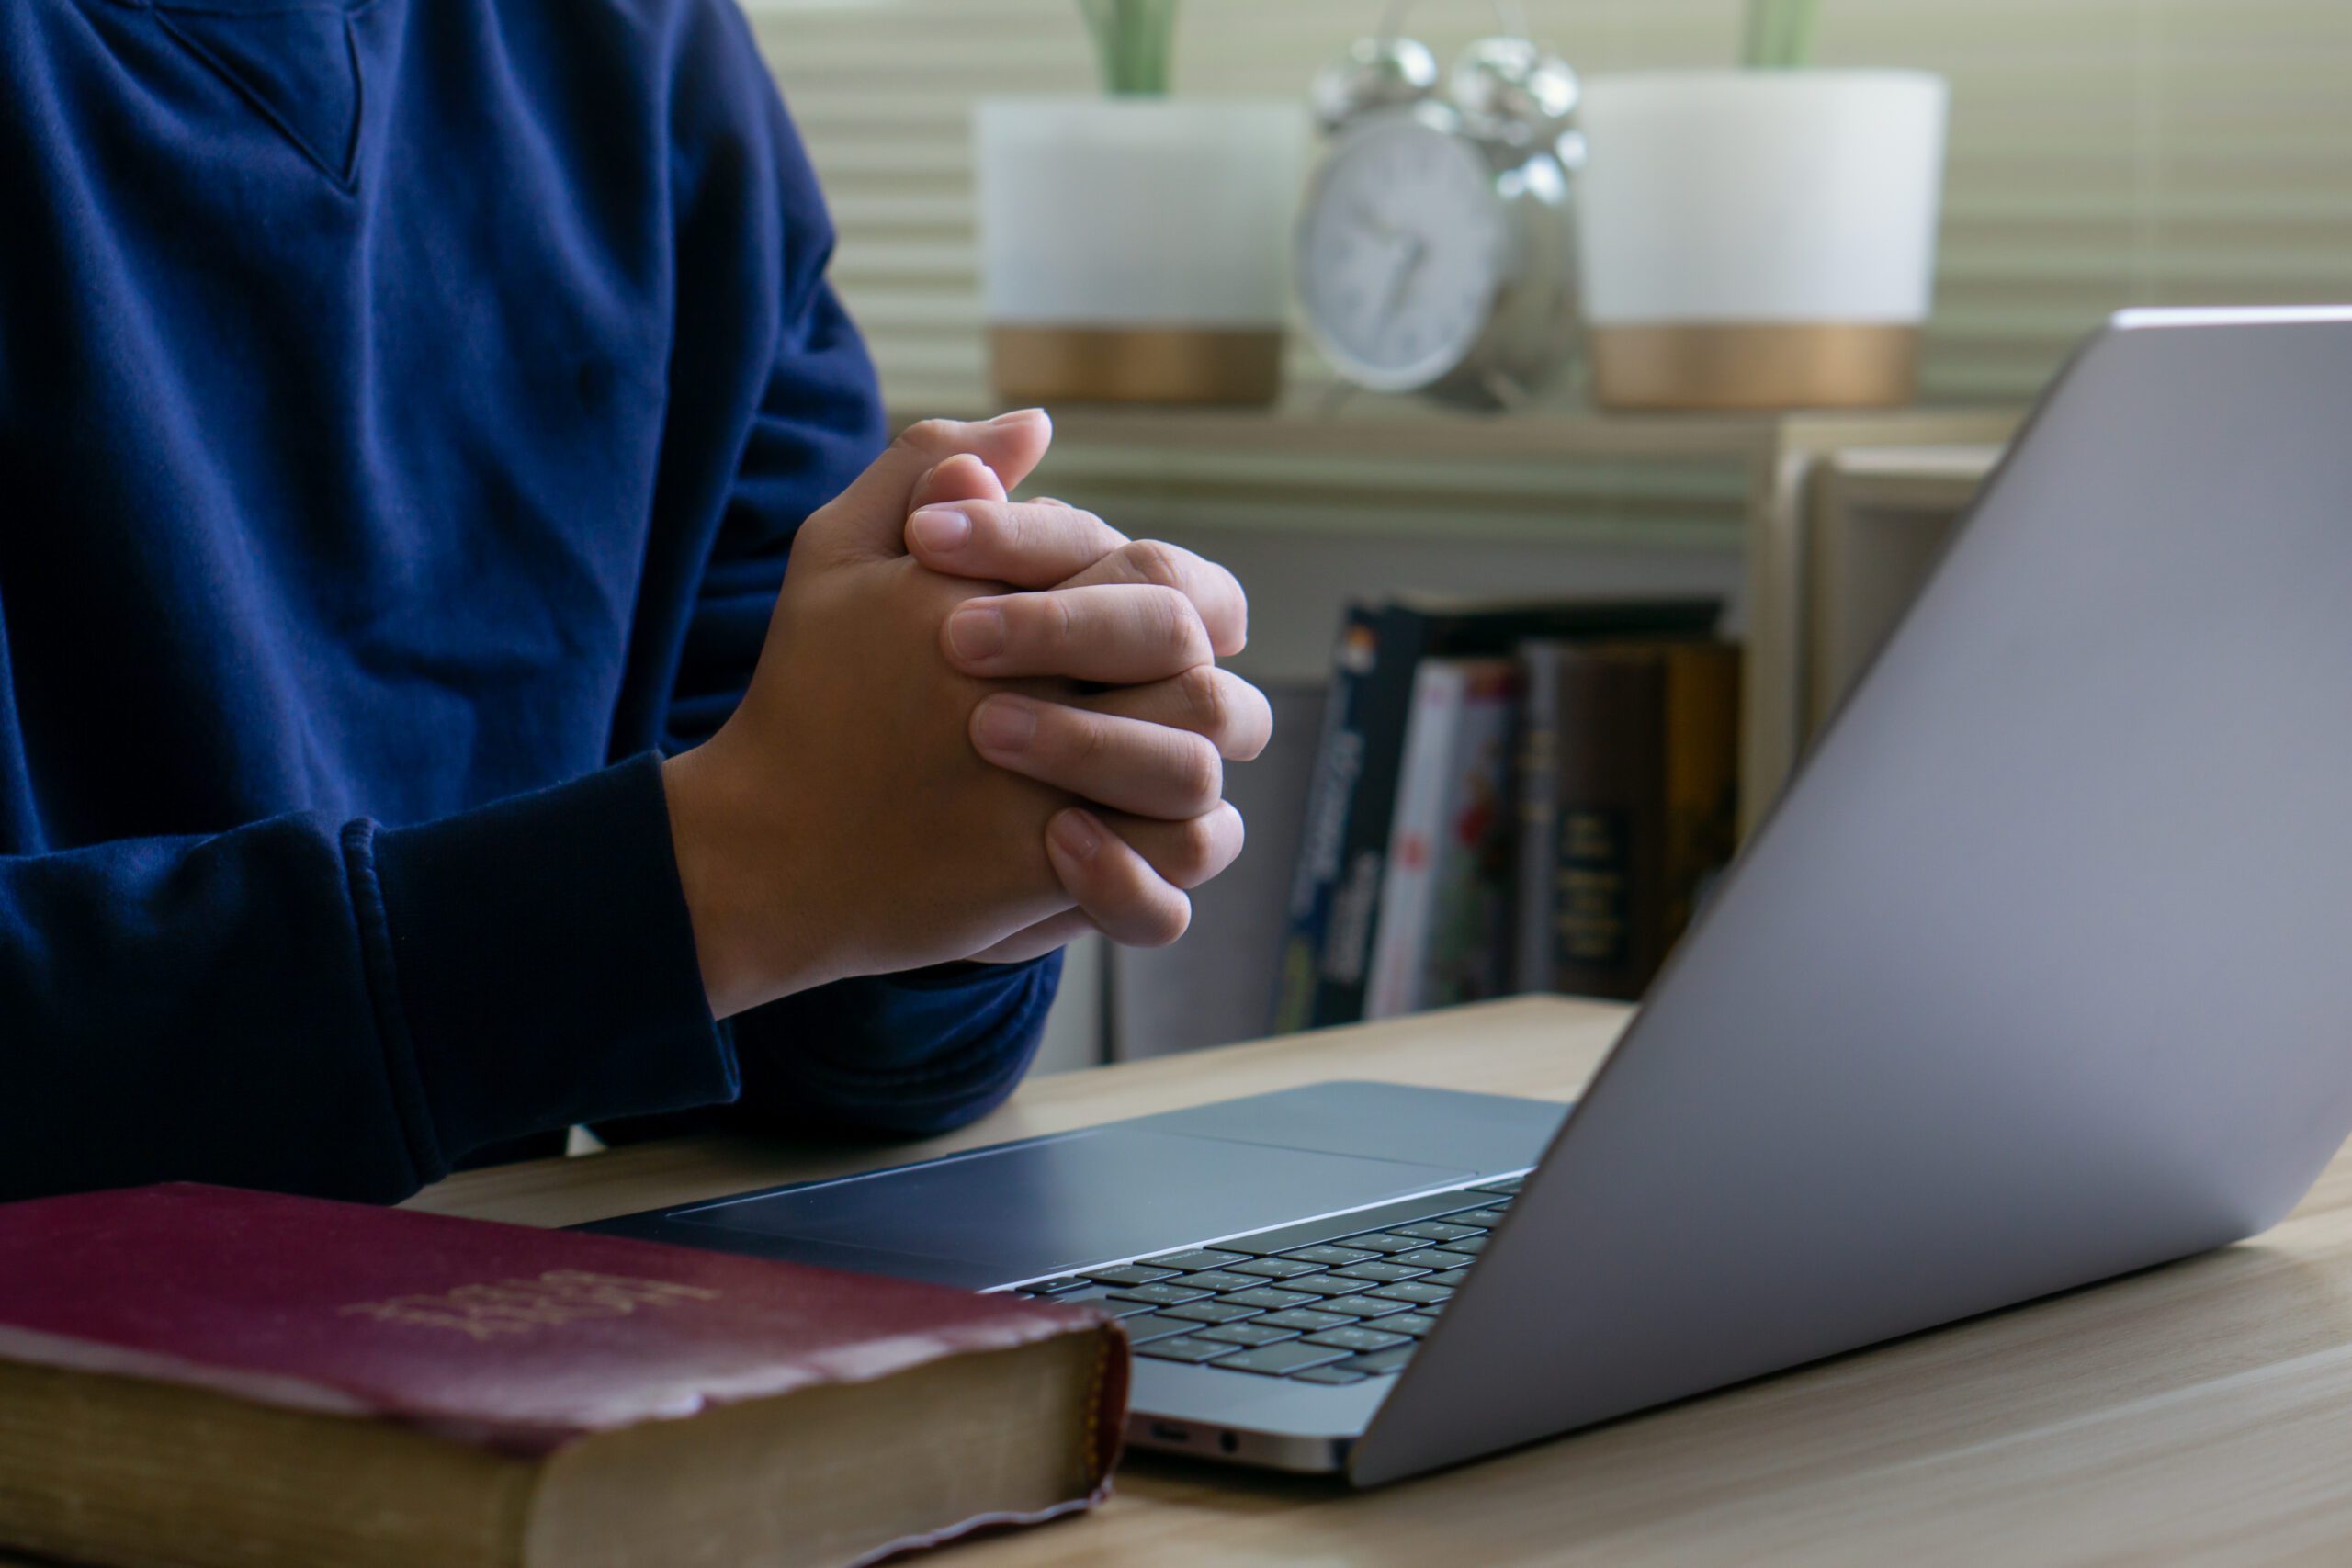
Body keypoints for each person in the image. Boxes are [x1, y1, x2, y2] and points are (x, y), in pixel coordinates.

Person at [0, 0, 1266, 1203]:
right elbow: (732, 873)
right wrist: (720, 878)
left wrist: (993, 816)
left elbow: (793, 1044)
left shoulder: (640, 47)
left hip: (504, 1345)